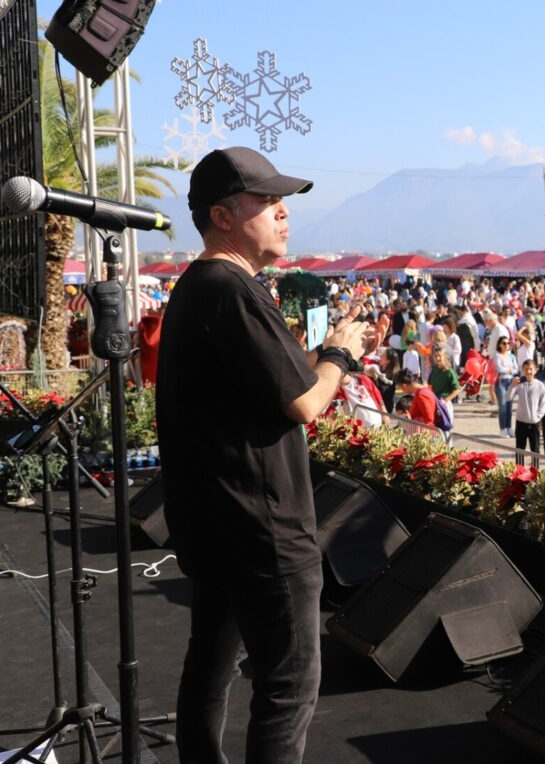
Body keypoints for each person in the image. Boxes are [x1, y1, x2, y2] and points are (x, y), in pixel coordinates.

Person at [159, 146, 369, 762]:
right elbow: (304, 404)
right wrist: (338, 354)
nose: (283, 213)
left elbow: (267, 390)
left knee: (210, 670)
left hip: (216, 521)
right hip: (264, 528)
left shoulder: (199, 286)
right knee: (288, 688)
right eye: (267, 200)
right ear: (223, 217)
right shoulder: (234, 290)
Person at [511, 358, 545, 463]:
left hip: (535, 423)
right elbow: (508, 398)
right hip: (521, 422)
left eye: (531, 369)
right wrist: (512, 386)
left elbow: (543, 403)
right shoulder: (519, 384)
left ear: (535, 370)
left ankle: (534, 474)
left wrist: (537, 417)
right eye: (526, 369)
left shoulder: (540, 385)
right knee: (519, 449)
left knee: (535, 450)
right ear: (523, 370)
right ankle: (519, 473)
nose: (528, 372)